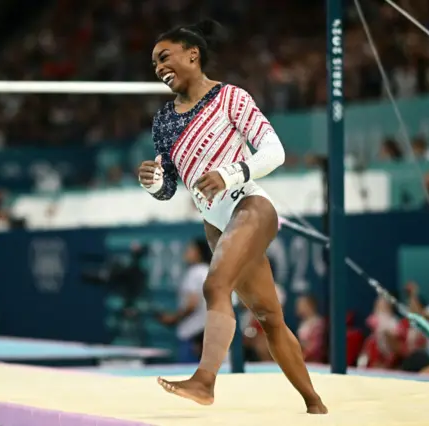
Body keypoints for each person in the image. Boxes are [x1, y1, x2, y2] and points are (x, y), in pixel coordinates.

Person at [138, 19, 327, 414]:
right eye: (154, 63)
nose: (158, 67)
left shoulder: (230, 98)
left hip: (250, 207)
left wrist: (230, 172)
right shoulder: (163, 122)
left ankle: (205, 381)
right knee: (270, 318)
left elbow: (274, 152)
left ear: (193, 54)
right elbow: (171, 187)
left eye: (165, 56)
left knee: (215, 285)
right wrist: (155, 183)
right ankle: (315, 405)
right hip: (215, 223)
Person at [157, 238, 212, 363]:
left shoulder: (194, 273)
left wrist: (173, 318)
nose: (186, 252)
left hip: (192, 335)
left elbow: (192, 304)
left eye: (189, 249)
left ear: (199, 252)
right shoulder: (209, 271)